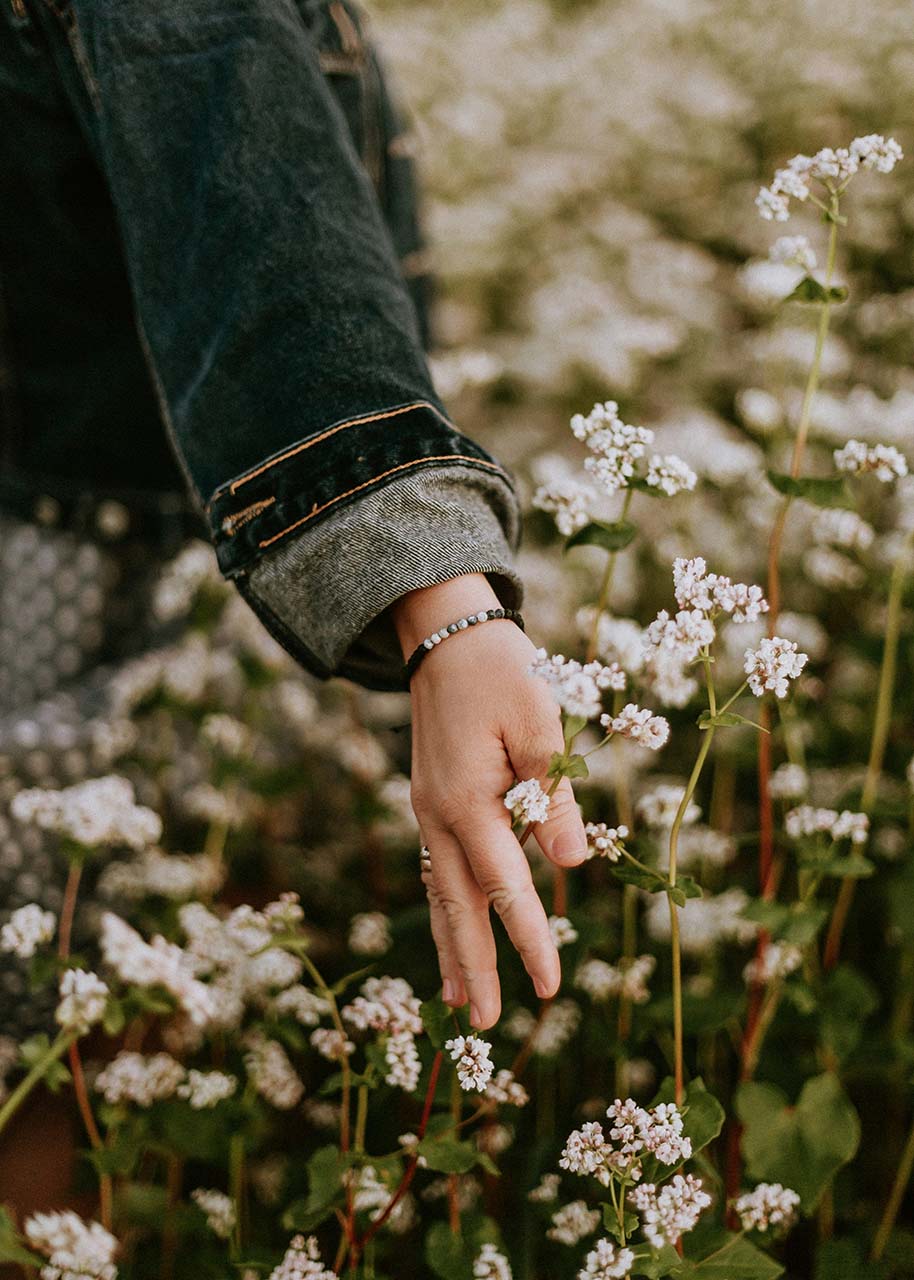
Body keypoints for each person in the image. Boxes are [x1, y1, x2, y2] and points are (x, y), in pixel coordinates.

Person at [0, 0, 590, 1043]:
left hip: (82, 536)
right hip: (72, 568)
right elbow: (266, 230)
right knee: (61, 1012)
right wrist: (447, 607)